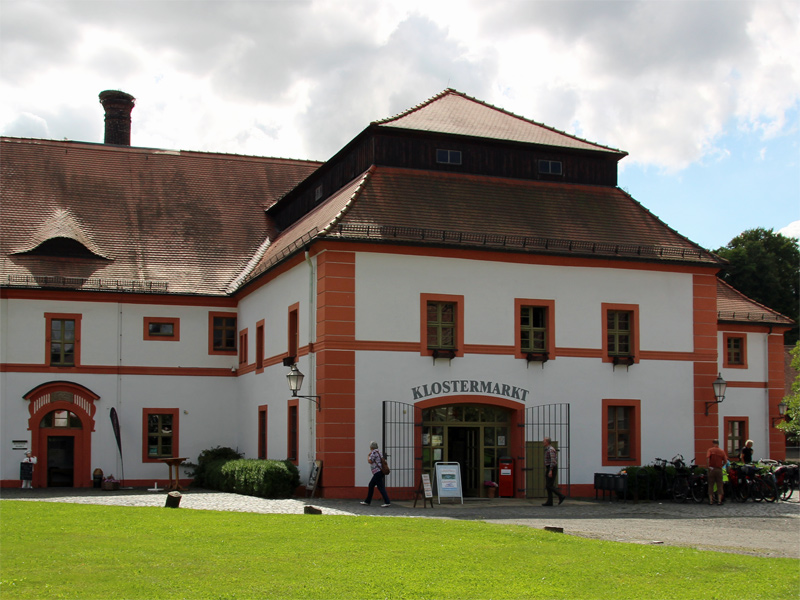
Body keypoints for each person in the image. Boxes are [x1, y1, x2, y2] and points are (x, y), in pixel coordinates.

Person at [361, 441, 391, 507]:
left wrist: (368, 456)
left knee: (380, 487)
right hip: (380, 472)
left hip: (377, 472)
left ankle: (387, 501)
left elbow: (370, 461)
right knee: (371, 485)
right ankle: (367, 501)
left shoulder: (373, 452)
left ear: (371, 447)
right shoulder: (379, 452)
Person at [542, 436, 565, 506]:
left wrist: (550, 470)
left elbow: (553, 461)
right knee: (548, 485)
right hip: (549, 467)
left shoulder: (551, 450)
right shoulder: (548, 449)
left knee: (549, 485)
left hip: (552, 468)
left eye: (544, 441)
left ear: (548, 442)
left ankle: (561, 496)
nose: (543, 442)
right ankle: (550, 501)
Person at [706, 439, 729, 505]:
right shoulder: (722, 451)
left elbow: (707, 457)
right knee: (720, 485)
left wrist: (708, 466)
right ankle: (719, 501)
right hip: (719, 469)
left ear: (713, 443)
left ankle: (711, 501)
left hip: (711, 469)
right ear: (718, 444)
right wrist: (721, 466)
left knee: (711, 485)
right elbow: (726, 461)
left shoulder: (710, 450)